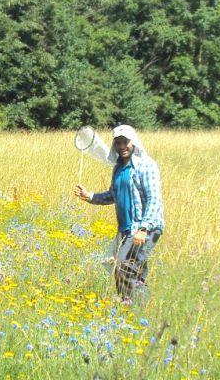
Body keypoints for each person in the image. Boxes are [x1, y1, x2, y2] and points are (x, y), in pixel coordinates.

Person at [73, 125, 164, 305]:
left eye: (125, 142)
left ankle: (131, 306)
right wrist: (90, 196)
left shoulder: (146, 165)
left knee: (123, 266)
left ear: (134, 143)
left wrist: (143, 229)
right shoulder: (119, 168)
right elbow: (112, 195)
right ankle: (135, 308)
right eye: (118, 143)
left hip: (145, 228)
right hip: (126, 229)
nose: (122, 146)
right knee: (130, 269)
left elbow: (154, 199)